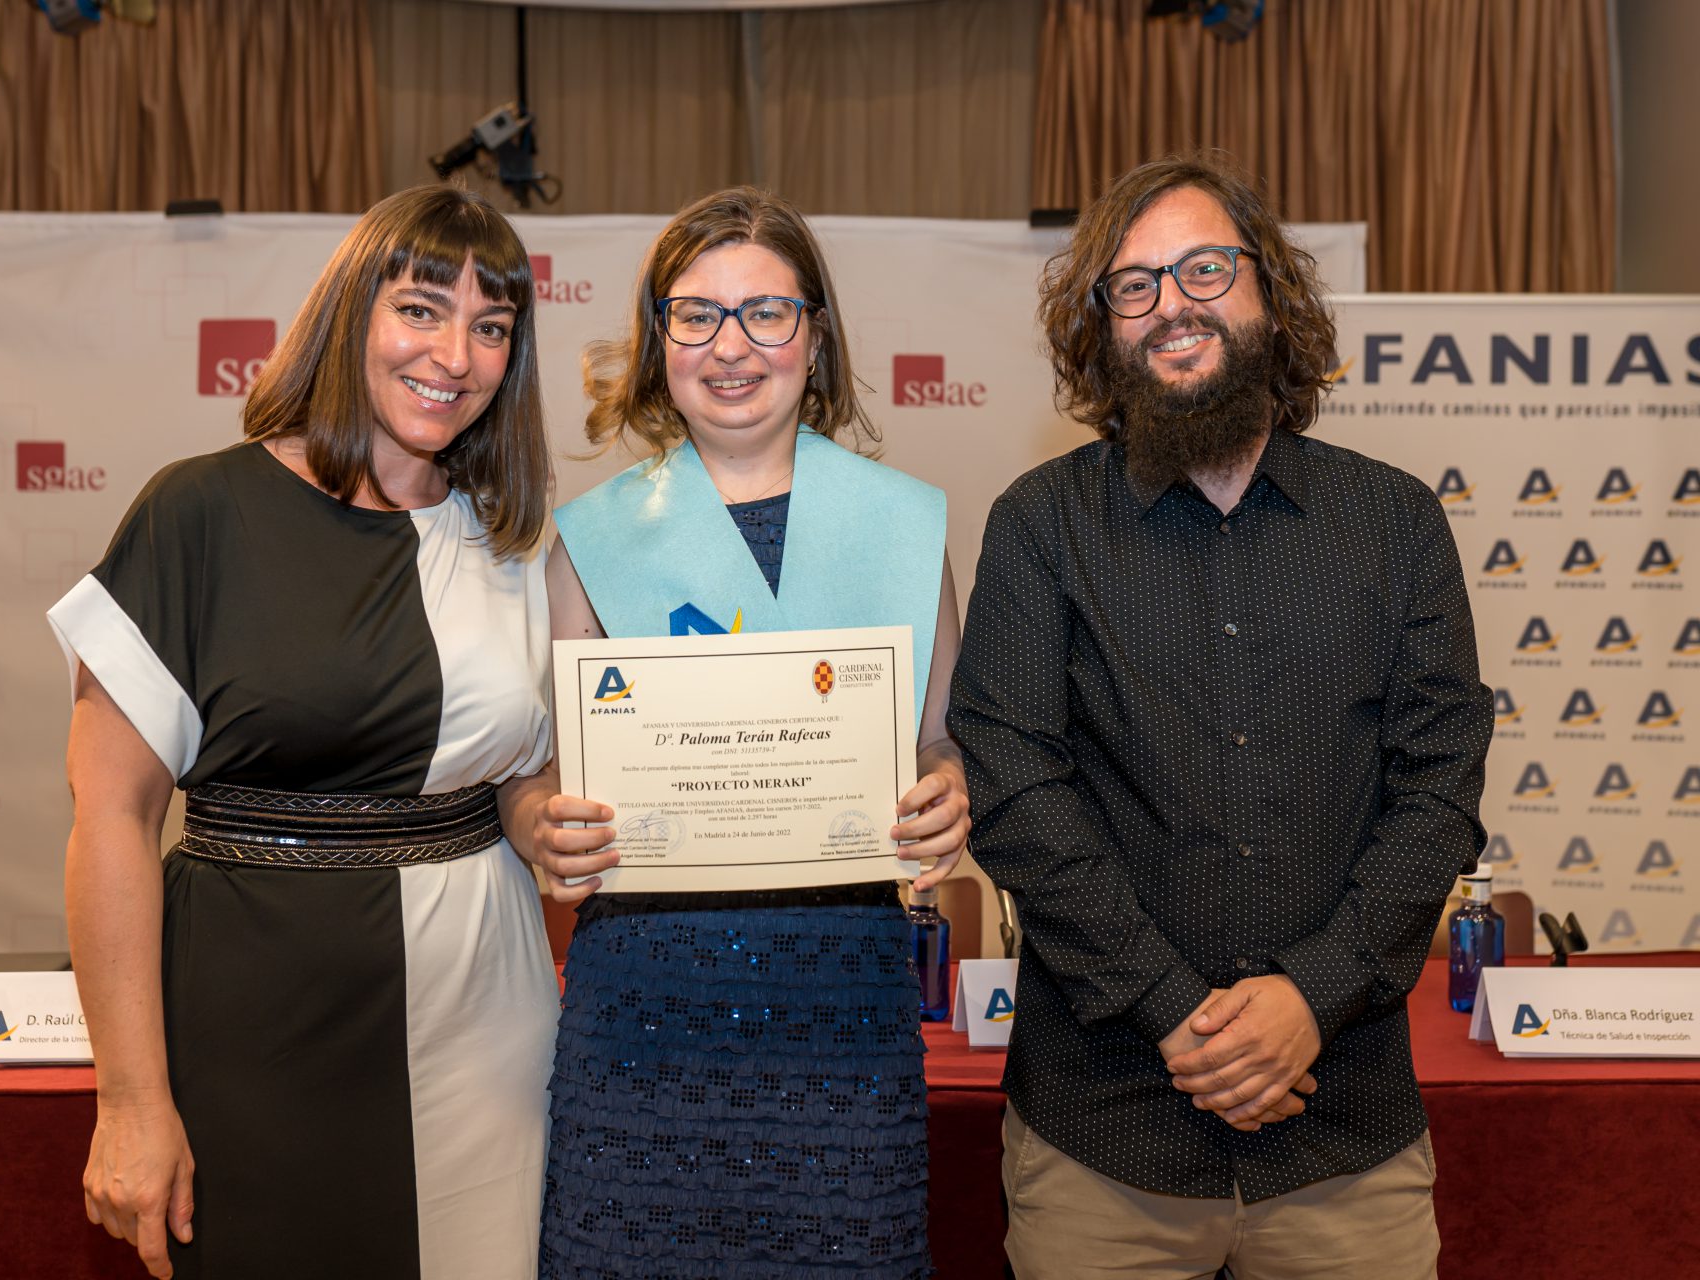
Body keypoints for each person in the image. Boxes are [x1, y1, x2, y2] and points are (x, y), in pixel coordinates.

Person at [948, 154, 1493, 1280]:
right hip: (1103, 1136)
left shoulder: (1395, 523)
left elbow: (1437, 789)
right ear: (1102, 329)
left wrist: (1312, 992)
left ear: (1269, 292)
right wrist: (1177, 1013)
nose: (1172, 306)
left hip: (1344, 1134)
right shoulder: (1041, 526)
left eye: (1204, 267)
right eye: (1134, 286)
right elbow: (1014, 789)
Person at [48, 185, 559, 1280]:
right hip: (250, 1029)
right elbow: (113, 819)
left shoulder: (512, 542)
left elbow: (524, 774)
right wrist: (132, 1101)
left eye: (491, 326)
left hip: (487, 1025)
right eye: (421, 309)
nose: (455, 355)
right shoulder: (198, 514)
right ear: (348, 315)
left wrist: (549, 818)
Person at [511, 186, 970, 1278]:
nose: (733, 345)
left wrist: (954, 790)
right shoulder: (585, 541)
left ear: (815, 338)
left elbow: (944, 742)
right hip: (640, 1025)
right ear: (657, 339)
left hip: (844, 1021)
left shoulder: (906, 526)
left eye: (767, 312)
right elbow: (537, 773)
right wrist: (535, 820)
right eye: (697, 314)